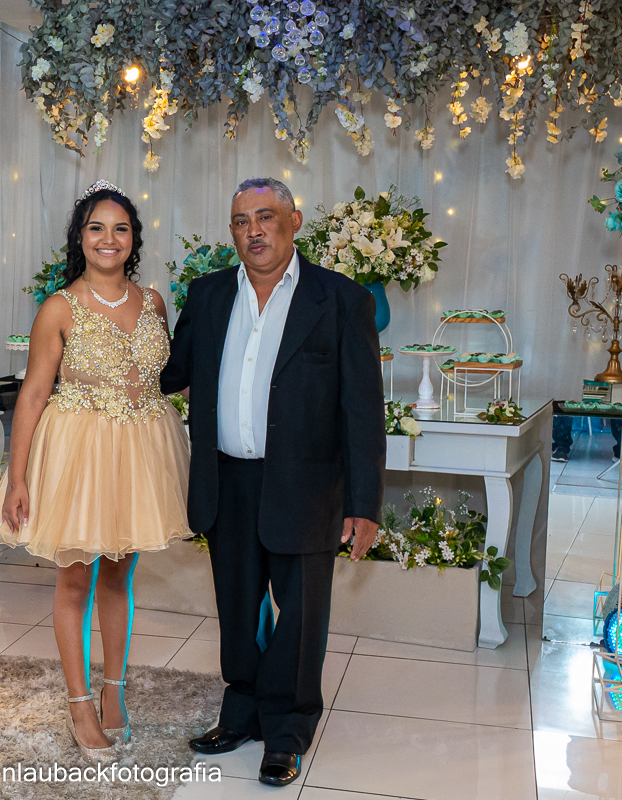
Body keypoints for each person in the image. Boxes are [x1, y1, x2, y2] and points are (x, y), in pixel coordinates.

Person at [160, 177, 385, 787]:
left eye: (265, 216)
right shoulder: (207, 295)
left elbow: (363, 410)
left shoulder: (340, 299)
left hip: (306, 486)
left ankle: (286, 731)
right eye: (241, 221)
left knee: (300, 616)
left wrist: (364, 503)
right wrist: (124, 319)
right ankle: (241, 712)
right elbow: (170, 373)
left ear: (294, 221)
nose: (253, 231)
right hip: (226, 480)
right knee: (236, 608)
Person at [0, 180, 192, 764]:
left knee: (121, 576)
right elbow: (32, 395)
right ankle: (78, 703)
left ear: (133, 239)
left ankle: (113, 691)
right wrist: (17, 478)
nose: (108, 239)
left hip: (141, 451)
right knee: (75, 583)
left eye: (120, 228)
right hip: (79, 453)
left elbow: (167, 377)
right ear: (80, 237)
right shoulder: (59, 308)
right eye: (97, 228)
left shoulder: (154, 303)